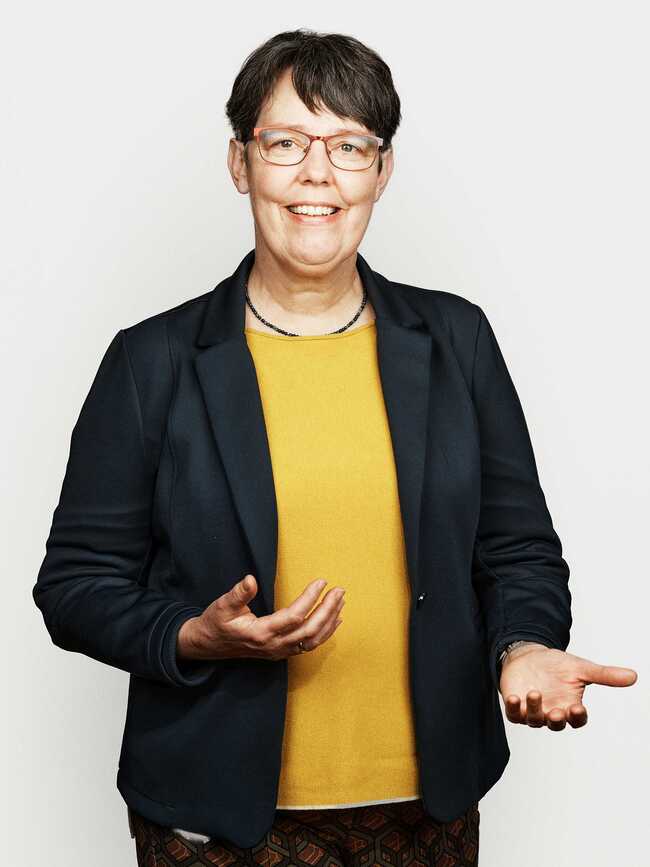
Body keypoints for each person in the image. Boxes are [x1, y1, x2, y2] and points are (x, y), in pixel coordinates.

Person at [33, 28, 638, 867]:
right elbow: (74, 584)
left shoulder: (456, 340)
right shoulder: (152, 361)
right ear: (241, 162)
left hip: (426, 816)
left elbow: (518, 548)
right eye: (286, 142)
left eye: (349, 145)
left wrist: (524, 643)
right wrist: (192, 634)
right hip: (214, 826)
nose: (318, 172)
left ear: (380, 173)